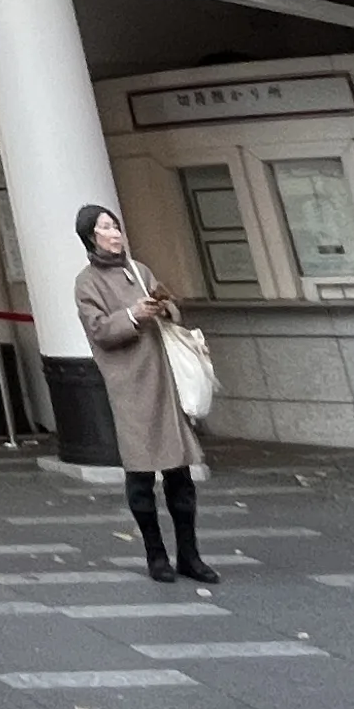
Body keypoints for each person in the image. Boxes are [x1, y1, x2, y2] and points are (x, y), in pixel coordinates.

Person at [73, 204, 214, 585]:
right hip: (130, 386)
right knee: (140, 475)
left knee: (179, 474)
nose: (114, 233)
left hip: (164, 381)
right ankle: (156, 555)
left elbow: (171, 311)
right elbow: (99, 330)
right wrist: (133, 315)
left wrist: (164, 307)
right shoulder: (87, 282)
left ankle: (189, 555)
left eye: (115, 225)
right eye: (105, 228)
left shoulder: (140, 269)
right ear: (90, 235)